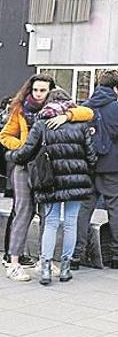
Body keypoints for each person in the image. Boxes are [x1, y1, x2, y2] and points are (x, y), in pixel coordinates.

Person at [1, 74, 93, 282]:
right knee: (23, 213)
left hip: (48, 171)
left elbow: (87, 112)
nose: (38, 94)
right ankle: (13, 262)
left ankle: (45, 260)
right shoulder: (21, 109)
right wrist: (22, 148)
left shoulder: (59, 111)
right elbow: (5, 136)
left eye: (43, 90)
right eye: (35, 90)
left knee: (47, 216)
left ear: (50, 92)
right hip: (25, 167)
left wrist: (67, 116)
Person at [74, 70, 118, 270]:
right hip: (114, 166)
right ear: (117, 87)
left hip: (88, 166)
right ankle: (116, 255)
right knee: (116, 210)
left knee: (83, 210)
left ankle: (76, 254)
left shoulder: (84, 107)